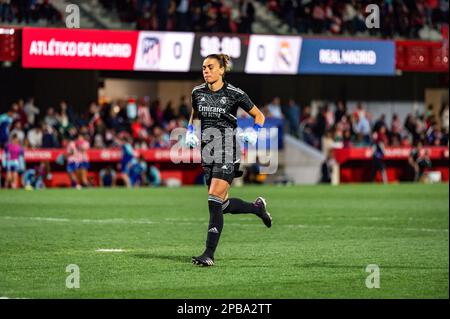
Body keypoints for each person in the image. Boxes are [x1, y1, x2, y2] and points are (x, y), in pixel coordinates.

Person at [186, 53, 272, 267]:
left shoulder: (235, 93)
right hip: (208, 151)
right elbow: (194, 114)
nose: (206, 70)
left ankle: (208, 253)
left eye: (211, 67)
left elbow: (259, 116)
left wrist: (254, 132)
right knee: (221, 205)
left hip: (228, 149)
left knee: (213, 197)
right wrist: (189, 130)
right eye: (204, 67)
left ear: (222, 70)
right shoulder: (197, 92)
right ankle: (257, 208)